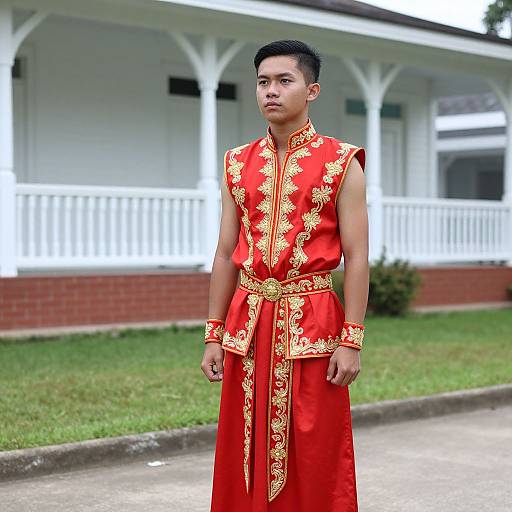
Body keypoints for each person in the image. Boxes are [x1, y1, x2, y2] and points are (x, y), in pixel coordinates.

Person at [201, 39, 369, 512]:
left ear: (312, 90)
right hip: (249, 323)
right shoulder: (236, 163)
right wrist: (213, 333)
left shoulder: (342, 162)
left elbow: (356, 257)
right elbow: (224, 252)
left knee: (314, 450)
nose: (270, 91)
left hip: (312, 324)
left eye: (283, 81)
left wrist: (351, 338)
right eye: (262, 82)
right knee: (243, 448)